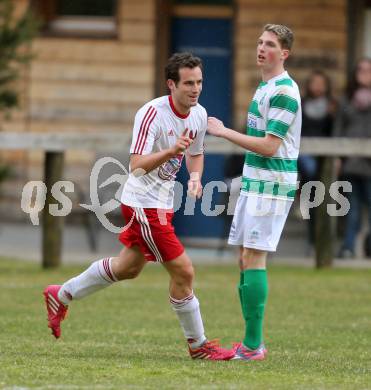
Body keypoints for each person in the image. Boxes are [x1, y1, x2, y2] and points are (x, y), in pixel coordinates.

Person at [43, 52, 235, 361]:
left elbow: (196, 152)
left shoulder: (198, 114)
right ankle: (199, 346)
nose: (195, 89)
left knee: (127, 268)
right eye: (188, 83)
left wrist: (196, 178)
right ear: (171, 84)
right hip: (143, 205)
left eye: (199, 82)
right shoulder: (151, 114)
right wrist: (171, 150)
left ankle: (60, 294)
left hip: (162, 204)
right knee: (184, 271)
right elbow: (135, 166)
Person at [207, 24, 301, 361]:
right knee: (245, 259)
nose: (262, 48)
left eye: (271, 45)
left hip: (272, 186)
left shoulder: (284, 93)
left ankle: (252, 346)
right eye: (260, 42)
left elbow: (270, 147)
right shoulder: (265, 87)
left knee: (255, 258)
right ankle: (251, 343)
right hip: (255, 183)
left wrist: (223, 132)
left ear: (284, 53)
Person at [336, 57, 371, 259]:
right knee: (352, 208)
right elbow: (339, 128)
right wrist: (339, 157)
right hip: (351, 162)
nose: (364, 74)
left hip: (369, 162)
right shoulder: (347, 99)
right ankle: (348, 248)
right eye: (361, 70)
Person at [298, 70, 336, 253]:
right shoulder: (301, 104)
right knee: (312, 195)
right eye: (315, 82)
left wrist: (331, 115)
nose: (318, 87)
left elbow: (334, 132)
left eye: (322, 83)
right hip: (303, 158)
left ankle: (318, 243)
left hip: (325, 160)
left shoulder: (332, 107)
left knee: (320, 202)